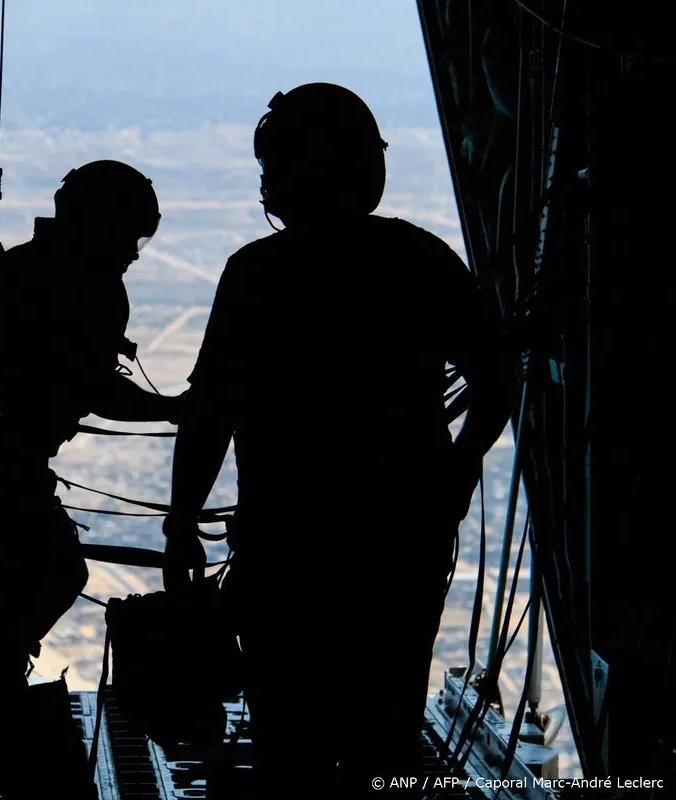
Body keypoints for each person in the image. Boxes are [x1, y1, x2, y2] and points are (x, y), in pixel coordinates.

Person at [162, 83, 516, 796]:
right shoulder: (419, 259)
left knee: (288, 741)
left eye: (276, 164)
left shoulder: (258, 273)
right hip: (399, 545)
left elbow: (211, 414)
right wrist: (456, 466)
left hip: (286, 549)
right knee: (384, 739)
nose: (265, 182)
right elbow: (496, 377)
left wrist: (181, 523)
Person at [0, 159, 185, 692]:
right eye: (129, 236)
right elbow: (92, 386)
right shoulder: (75, 285)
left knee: (26, 588)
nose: (133, 251)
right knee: (47, 580)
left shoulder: (25, 269)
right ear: (99, 224)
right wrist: (174, 409)